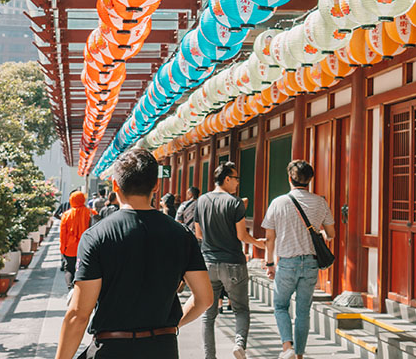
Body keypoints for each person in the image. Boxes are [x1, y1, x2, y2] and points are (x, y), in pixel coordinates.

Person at [55, 149, 212, 359]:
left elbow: (79, 314)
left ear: (115, 185)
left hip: (112, 348)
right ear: (156, 185)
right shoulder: (181, 235)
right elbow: (205, 299)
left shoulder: (96, 236)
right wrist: (172, 324)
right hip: (163, 348)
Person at [261, 159, 335, 359]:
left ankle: (287, 348)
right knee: (303, 311)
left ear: (290, 178)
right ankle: (299, 355)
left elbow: (269, 238)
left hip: (286, 262)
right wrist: (319, 233)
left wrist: (269, 264)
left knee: (280, 306)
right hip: (311, 263)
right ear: (310, 179)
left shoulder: (278, 202)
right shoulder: (320, 202)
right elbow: (331, 233)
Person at [195, 162, 263, 359]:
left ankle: (210, 356)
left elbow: (199, 234)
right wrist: (258, 243)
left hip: (208, 263)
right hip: (233, 263)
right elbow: (242, 235)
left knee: (208, 315)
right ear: (227, 179)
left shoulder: (202, 201)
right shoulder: (235, 203)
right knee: (241, 309)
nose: (237, 183)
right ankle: (239, 344)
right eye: (236, 179)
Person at [59, 191, 93, 290]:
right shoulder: (90, 212)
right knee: (84, 268)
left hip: (70, 247)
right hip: (86, 246)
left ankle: (70, 287)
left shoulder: (66, 215)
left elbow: (63, 234)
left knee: (69, 268)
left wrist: (62, 248)